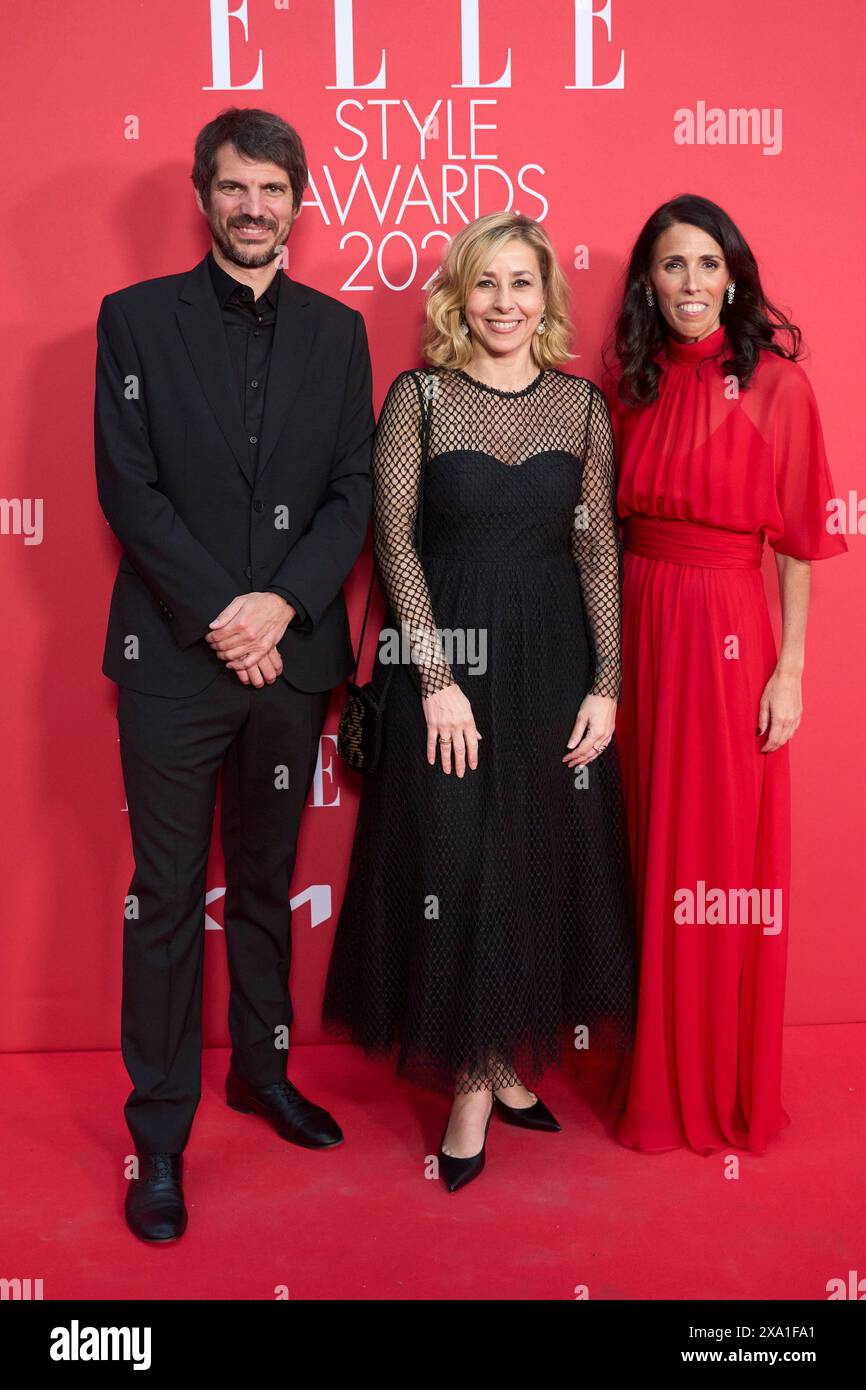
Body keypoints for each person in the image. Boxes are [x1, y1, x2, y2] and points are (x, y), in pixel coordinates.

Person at [94, 107, 373, 1240]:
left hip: (290, 658)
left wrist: (279, 606)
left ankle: (261, 1072)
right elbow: (129, 488)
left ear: (298, 201)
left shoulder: (337, 332)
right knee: (165, 900)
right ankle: (157, 1139)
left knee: (266, 883)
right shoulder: (132, 322)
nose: (252, 206)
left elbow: (352, 491)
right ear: (204, 198)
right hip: (172, 659)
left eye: (272, 188)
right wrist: (222, 612)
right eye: (233, 187)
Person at [323, 212, 636, 1192]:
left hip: (551, 660)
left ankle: (501, 1064)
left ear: (544, 297)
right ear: (459, 296)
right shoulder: (417, 396)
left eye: (521, 283)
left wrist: (608, 682)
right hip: (447, 657)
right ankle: (468, 1081)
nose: (504, 302)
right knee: (457, 859)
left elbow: (594, 550)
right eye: (486, 283)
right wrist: (435, 679)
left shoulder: (581, 409)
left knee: (532, 855)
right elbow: (396, 540)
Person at [603, 193, 847, 1155]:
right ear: (648, 282)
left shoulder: (780, 388)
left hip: (727, 629)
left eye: (708, 265)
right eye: (672, 266)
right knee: (645, 840)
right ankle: (651, 1067)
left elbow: (796, 543)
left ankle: (710, 1079)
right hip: (638, 619)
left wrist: (789, 668)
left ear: (733, 275)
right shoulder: (630, 382)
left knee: (716, 857)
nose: (691, 284)